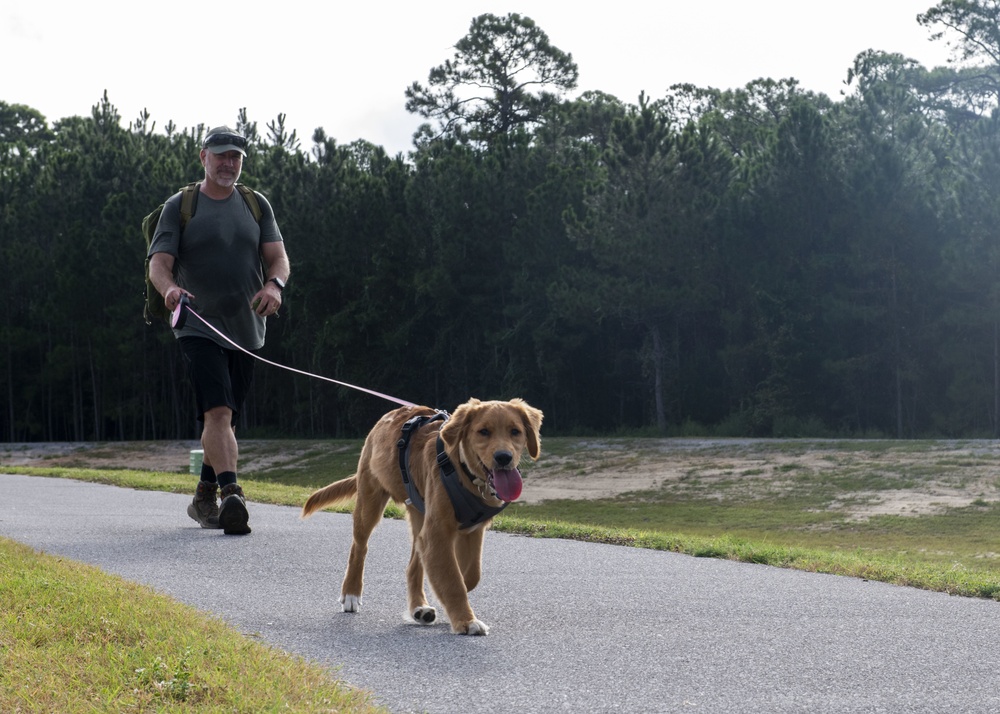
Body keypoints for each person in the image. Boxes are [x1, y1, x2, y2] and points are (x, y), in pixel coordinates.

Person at [147, 126, 290, 535]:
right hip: (198, 326)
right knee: (219, 410)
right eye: (222, 155)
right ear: (203, 157)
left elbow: (278, 258)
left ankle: (203, 496)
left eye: (236, 157)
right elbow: (158, 264)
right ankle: (232, 496)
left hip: (246, 328)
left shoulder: (255, 204)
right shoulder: (181, 206)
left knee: (226, 418)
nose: (229, 163)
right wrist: (170, 289)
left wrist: (274, 285)